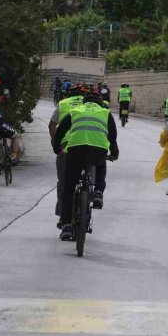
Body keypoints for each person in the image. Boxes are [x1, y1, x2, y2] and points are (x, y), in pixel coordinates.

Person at [51, 91, 119, 241]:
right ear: (100, 104)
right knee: (101, 165)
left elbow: (60, 132)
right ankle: (98, 192)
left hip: (75, 150)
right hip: (98, 150)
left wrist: (57, 149)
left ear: (83, 103)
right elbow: (112, 137)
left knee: (68, 188)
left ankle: (67, 225)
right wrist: (114, 153)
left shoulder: (75, 111)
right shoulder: (106, 113)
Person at [49, 83, 86, 222]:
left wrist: (56, 143)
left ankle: (62, 215)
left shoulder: (63, 103)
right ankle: (89, 197)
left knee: (64, 182)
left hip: (66, 148)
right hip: (87, 146)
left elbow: (52, 124)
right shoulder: (91, 105)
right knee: (89, 177)